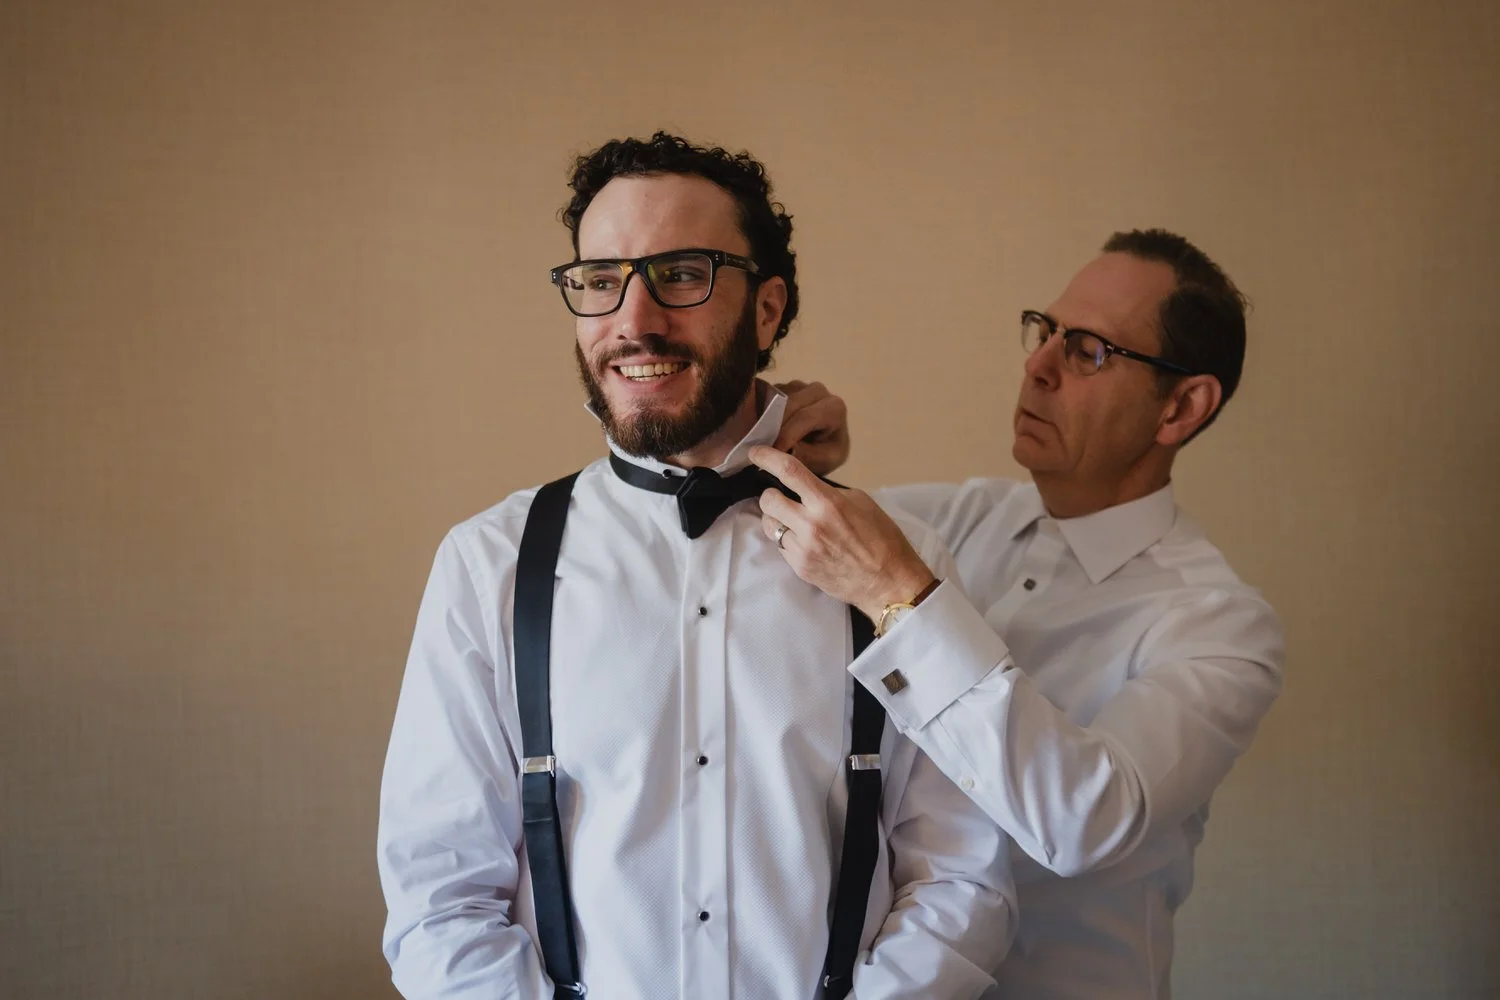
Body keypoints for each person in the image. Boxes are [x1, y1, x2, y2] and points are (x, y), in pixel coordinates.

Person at [376, 132, 1014, 1000]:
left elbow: (963, 872)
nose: (634, 322)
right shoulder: (489, 564)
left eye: (681, 275)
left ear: (766, 307)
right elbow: (438, 896)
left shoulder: (897, 563)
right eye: (601, 281)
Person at [749, 230, 1285, 999]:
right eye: (1047, 332)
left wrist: (902, 599)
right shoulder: (962, 520)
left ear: (1182, 407)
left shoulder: (1220, 625)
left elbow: (1086, 821)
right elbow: (804, 542)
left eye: (1090, 350)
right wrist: (797, 443)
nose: (1038, 366)